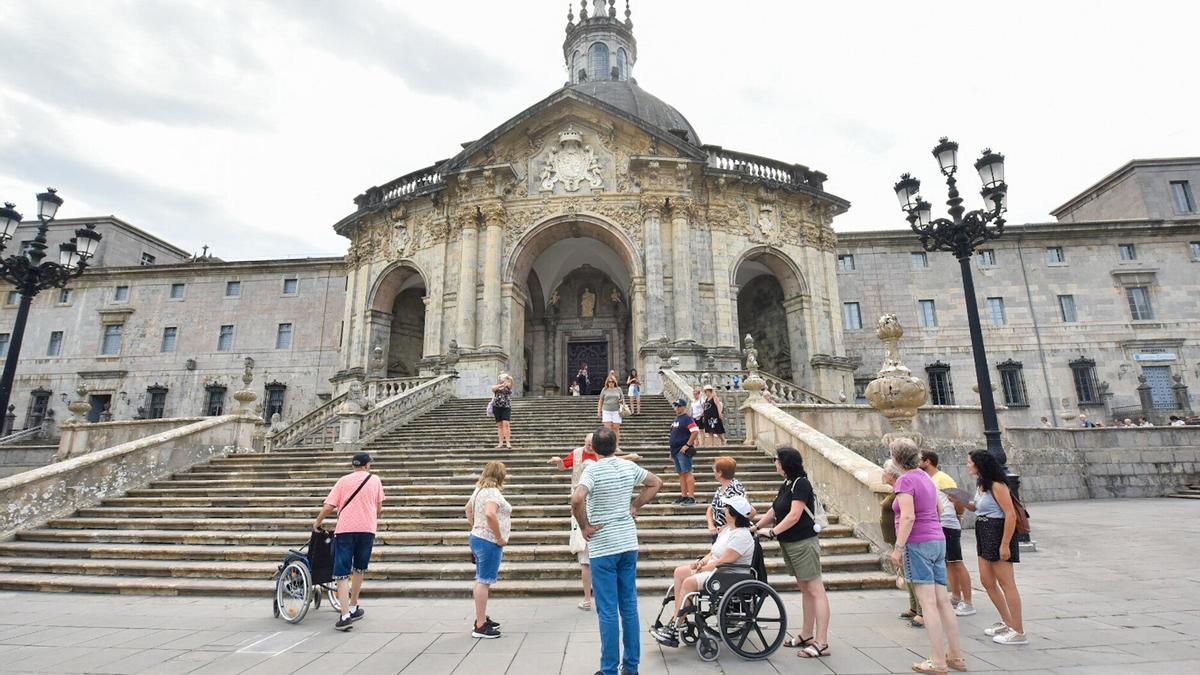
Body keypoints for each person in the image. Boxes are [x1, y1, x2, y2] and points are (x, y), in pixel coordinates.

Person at [572, 427, 664, 675]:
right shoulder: (627, 467)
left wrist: (585, 527)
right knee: (629, 607)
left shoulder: (592, 469)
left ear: (595, 448)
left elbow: (577, 499)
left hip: (603, 546)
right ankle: (631, 667)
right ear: (615, 445)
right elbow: (656, 482)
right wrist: (636, 504)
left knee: (608, 609)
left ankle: (609, 669)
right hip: (628, 543)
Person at [888, 438, 965, 674]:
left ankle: (938, 661)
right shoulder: (927, 479)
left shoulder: (905, 480)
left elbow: (908, 517)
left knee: (928, 604)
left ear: (897, 459)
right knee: (943, 601)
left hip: (918, 542)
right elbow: (940, 510)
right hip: (937, 540)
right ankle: (956, 656)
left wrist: (898, 548)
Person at [752, 447, 831, 658]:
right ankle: (806, 634)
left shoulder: (801, 484)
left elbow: (795, 515)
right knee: (805, 588)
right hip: (790, 544)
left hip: (803, 543)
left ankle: (821, 642)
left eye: (777, 460)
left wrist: (773, 531)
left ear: (786, 463)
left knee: (815, 589)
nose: (775, 464)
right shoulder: (787, 484)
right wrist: (756, 526)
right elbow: (775, 509)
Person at [547, 434, 640, 611]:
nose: (589, 447)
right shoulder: (577, 454)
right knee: (586, 558)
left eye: (592, 445)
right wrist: (559, 461)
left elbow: (611, 462)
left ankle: (603, 598)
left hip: (597, 507)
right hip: (585, 507)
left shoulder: (599, 459)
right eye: (587, 444)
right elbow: (564, 468)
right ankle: (589, 598)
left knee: (592, 558)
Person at [651, 495, 757, 647]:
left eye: (727, 509)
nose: (724, 511)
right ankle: (678, 619)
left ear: (733, 513)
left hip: (728, 575)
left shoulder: (741, 535)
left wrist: (702, 569)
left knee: (688, 583)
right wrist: (700, 562)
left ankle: (674, 626)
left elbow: (724, 561)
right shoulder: (728, 529)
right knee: (679, 572)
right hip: (717, 570)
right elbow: (713, 553)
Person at [312, 452, 384, 632]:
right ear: (367, 466)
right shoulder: (375, 480)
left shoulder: (343, 481)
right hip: (367, 530)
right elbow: (379, 508)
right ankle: (353, 606)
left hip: (345, 530)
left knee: (341, 572)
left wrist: (318, 522)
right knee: (359, 568)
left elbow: (329, 506)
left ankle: (345, 616)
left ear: (353, 466)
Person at [964, 449, 1028, 645]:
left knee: (1007, 583)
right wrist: (962, 502)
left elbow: (1010, 514)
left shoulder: (997, 485)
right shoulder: (982, 484)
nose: (967, 465)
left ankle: (1018, 631)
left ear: (979, 464)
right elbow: (979, 507)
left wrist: (1005, 544)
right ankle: (1007, 621)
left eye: (969, 462)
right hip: (983, 530)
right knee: (987, 581)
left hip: (997, 531)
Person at [920, 451, 974, 617]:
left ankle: (968, 601)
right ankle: (956, 596)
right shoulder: (930, 479)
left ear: (927, 462)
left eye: (919, 460)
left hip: (948, 523)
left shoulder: (943, 478)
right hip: (941, 523)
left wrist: (958, 516)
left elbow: (959, 500)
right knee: (949, 563)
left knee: (957, 562)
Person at [466, 461, 512, 639]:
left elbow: (468, 509)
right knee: (484, 580)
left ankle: (481, 617)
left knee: (481, 579)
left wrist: (476, 526)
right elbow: (490, 514)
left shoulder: (478, 489)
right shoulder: (492, 492)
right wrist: (499, 537)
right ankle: (480, 626)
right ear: (501, 475)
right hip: (488, 541)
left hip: (477, 537)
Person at [882, 460, 924, 628]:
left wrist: (899, 546)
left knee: (913, 575)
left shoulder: (903, 486)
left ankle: (922, 611)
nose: (882, 474)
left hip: (905, 538)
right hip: (898, 537)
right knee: (907, 573)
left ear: (892, 474)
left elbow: (908, 516)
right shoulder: (897, 488)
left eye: (885, 471)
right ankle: (914, 607)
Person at [705, 456, 752, 541]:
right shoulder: (720, 489)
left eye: (714, 469)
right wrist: (711, 525)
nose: (713, 472)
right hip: (720, 534)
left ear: (720, 473)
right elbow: (711, 508)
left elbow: (750, 512)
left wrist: (726, 527)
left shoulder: (735, 487)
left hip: (734, 535)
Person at [668, 397, 699, 505]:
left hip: (682, 450)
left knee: (687, 472)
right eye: (676, 406)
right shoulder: (676, 419)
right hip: (675, 450)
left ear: (684, 407)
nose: (677, 408)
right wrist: (671, 451)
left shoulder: (687, 418)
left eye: (679, 406)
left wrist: (687, 445)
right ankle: (684, 495)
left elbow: (695, 431)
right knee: (681, 473)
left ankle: (691, 496)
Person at [598, 374, 625, 448]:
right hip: (606, 410)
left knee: (616, 428)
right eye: (609, 381)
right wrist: (599, 411)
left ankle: (616, 446)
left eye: (612, 381)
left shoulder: (618, 389)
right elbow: (600, 400)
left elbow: (623, 399)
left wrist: (621, 402)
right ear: (607, 382)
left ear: (615, 382)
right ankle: (608, 446)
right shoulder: (604, 389)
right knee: (607, 430)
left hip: (616, 411)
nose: (611, 383)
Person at [491, 373, 514, 449]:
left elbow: (511, 385)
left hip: (506, 407)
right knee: (500, 426)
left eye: (502, 377)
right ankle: (500, 442)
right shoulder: (496, 386)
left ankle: (508, 442)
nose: (501, 379)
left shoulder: (507, 385)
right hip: (496, 407)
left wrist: (510, 379)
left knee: (506, 424)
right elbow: (493, 389)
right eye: (500, 378)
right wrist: (500, 385)